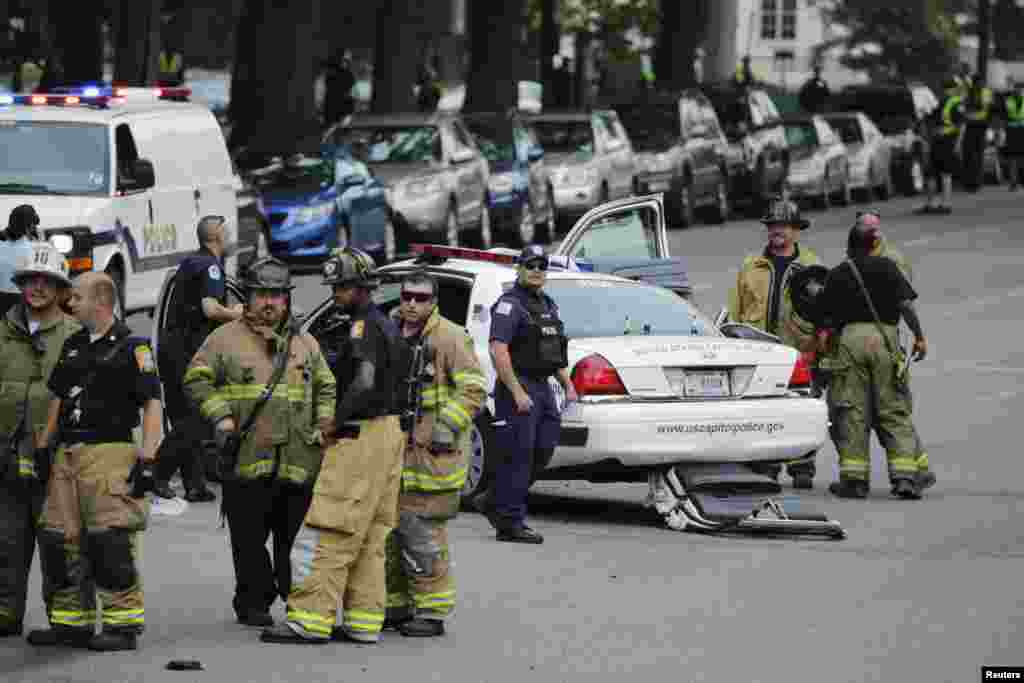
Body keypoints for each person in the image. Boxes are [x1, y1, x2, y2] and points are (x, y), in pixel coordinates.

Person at [261, 247, 407, 644]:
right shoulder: (387, 325)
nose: (337, 295)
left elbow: (362, 382)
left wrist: (333, 424)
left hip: (360, 436)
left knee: (330, 528)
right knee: (370, 535)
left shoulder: (364, 327)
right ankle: (362, 622)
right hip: (389, 435)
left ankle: (309, 619)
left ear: (360, 287)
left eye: (341, 288)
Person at [183, 257, 335, 628]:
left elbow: (326, 385)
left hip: (298, 461)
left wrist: (323, 423)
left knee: (293, 541)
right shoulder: (222, 340)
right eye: (261, 295)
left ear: (286, 299)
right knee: (248, 542)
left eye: (276, 296)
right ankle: (253, 601)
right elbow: (196, 380)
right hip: (246, 460)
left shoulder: (305, 341)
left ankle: (294, 596)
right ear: (248, 299)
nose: (268, 303)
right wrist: (221, 416)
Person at [29, 272, 162, 651]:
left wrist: (149, 457)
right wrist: (43, 446)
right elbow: (57, 396)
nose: (70, 303)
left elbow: (152, 402)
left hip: (110, 453)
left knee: (109, 540)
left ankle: (121, 626)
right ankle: (71, 623)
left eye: (77, 297)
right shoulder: (73, 344)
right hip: (67, 454)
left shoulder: (133, 347)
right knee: (58, 540)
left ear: (101, 302)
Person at [384, 270, 485, 638]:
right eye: (407, 295)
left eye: (421, 298)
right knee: (389, 537)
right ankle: (395, 606)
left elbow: (473, 389)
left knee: (424, 539)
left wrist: (445, 426)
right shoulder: (389, 333)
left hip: (431, 461)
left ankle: (431, 612)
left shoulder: (450, 337)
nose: (412, 303)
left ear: (434, 301)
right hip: (391, 459)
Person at [816, 213, 932, 500]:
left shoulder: (839, 273)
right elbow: (906, 305)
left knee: (851, 411)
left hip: (850, 343)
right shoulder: (889, 267)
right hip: (885, 340)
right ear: (873, 245)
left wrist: (823, 357)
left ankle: (854, 481)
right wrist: (918, 336)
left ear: (848, 247)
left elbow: (824, 326)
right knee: (892, 408)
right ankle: (905, 477)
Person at [0, 243, 82, 639]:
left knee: (58, 542)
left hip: (57, 460)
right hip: (6, 457)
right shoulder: (2, 331)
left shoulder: (75, 335)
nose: (37, 287)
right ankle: (5, 614)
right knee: (6, 540)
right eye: (30, 280)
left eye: (45, 281)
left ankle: (64, 620)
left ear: (58, 288)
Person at [474, 245, 576, 545]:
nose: (536, 270)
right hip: (517, 387)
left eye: (541, 265)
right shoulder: (509, 304)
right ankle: (510, 522)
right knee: (518, 457)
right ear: (519, 268)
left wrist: (567, 383)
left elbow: (552, 352)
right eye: (530, 265)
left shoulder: (548, 305)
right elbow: (498, 350)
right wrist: (517, 391)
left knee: (543, 450)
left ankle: (493, 499)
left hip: (543, 387)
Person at [727, 197, 822, 487]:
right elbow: (736, 311)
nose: (776, 231)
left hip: (798, 353)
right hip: (759, 355)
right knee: (762, 409)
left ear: (796, 231)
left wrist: (817, 351)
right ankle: (765, 463)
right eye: (772, 225)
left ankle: (801, 466)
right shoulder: (750, 266)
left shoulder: (812, 267)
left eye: (783, 226)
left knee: (800, 409)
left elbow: (824, 316)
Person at [153, 216, 243, 502]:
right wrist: (238, 314)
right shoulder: (210, 267)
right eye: (226, 232)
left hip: (172, 351)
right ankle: (156, 473)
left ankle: (194, 486)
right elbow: (210, 309)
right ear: (215, 237)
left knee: (183, 419)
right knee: (195, 419)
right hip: (186, 354)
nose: (230, 236)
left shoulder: (191, 263)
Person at [915, 78, 964, 215]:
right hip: (936, 140)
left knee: (945, 172)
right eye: (945, 88)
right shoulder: (941, 103)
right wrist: (924, 116)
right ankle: (929, 204)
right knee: (931, 172)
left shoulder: (957, 104)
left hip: (948, 141)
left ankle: (945, 204)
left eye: (948, 88)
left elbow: (961, 126)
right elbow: (931, 119)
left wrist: (958, 144)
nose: (946, 91)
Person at [0, 206, 41, 317]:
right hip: (20, 301)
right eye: (33, 225)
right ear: (28, 227)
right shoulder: (31, 248)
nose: (34, 228)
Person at [961, 73, 993, 192]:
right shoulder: (968, 92)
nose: (981, 84)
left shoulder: (986, 92)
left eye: (982, 82)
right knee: (968, 154)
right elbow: (963, 106)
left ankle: (976, 183)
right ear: (975, 83)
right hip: (969, 125)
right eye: (979, 82)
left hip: (980, 125)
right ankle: (968, 182)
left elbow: (988, 109)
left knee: (978, 155)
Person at [1000, 80, 1024, 190]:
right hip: (1011, 131)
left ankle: (1021, 180)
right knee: (1012, 157)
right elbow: (1003, 115)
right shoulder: (1007, 101)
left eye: (1020, 89)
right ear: (1013, 89)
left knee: (1021, 157)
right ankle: (1013, 181)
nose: (1018, 91)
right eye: (1016, 88)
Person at [322, 50, 356, 126]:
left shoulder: (349, 76)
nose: (345, 63)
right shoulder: (331, 75)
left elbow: (352, 94)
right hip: (332, 111)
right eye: (343, 60)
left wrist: (349, 114)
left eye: (347, 61)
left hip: (343, 111)